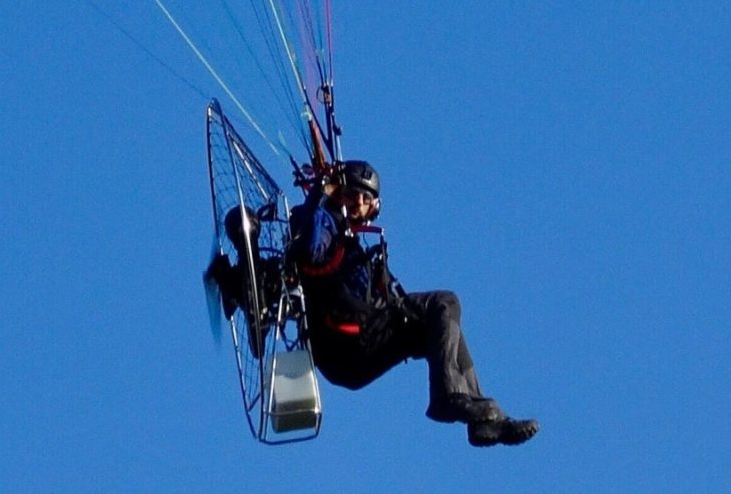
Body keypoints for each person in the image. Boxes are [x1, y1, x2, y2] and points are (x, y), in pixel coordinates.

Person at [207, 159, 537, 447]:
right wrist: (322, 196)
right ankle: (449, 398)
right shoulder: (325, 224)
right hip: (347, 342)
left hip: (361, 340)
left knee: (444, 319)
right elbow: (309, 251)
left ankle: (483, 417)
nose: (359, 204)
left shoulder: (351, 242)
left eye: (366, 199)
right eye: (352, 195)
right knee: (443, 302)